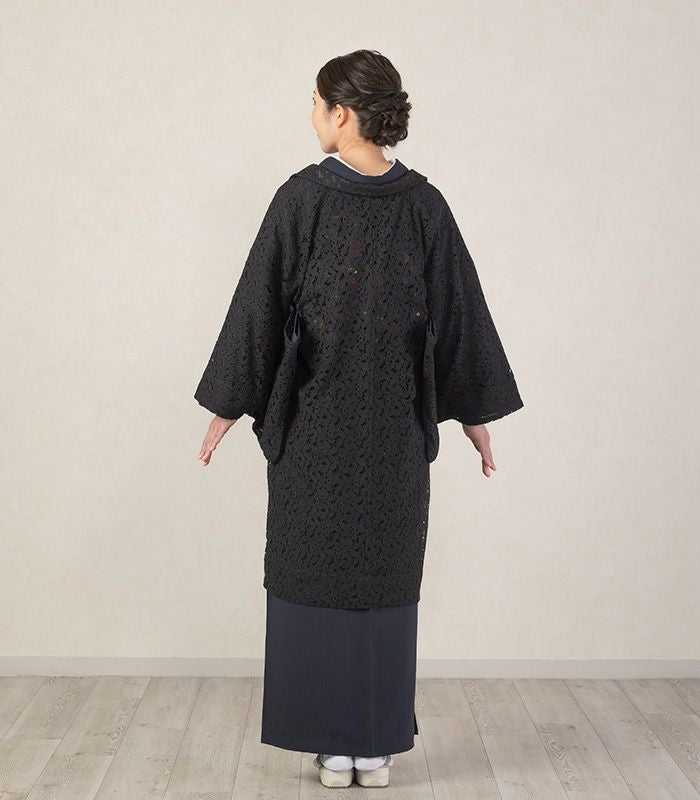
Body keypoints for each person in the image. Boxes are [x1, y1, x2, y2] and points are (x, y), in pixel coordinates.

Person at [194, 49, 524, 789]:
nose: (312, 116)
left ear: (342, 113)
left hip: (346, 430)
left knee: (373, 578)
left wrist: (474, 413)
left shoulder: (349, 202)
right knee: (335, 577)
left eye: (317, 104)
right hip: (360, 432)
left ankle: (353, 745)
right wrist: (226, 403)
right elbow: (263, 305)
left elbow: (452, 310)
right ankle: (359, 746)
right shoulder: (364, 203)